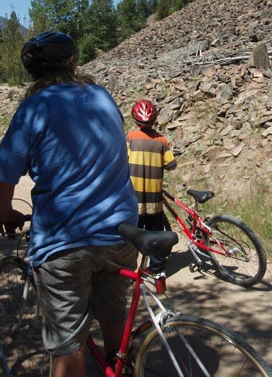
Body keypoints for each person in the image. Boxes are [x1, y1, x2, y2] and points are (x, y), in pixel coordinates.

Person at [0, 31, 138, 377]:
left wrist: (6, 213)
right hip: (120, 233)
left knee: (68, 344)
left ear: (33, 74)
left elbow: (5, 179)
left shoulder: (34, 107)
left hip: (65, 240)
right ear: (73, 63)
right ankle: (122, 367)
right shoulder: (103, 97)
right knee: (114, 316)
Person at [126, 99, 177, 275]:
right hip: (154, 200)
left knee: (132, 237)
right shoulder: (162, 141)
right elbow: (171, 165)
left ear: (135, 120)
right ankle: (157, 269)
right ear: (155, 120)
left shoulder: (131, 138)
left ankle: (131, 271)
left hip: (134, 199)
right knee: (155, 233)